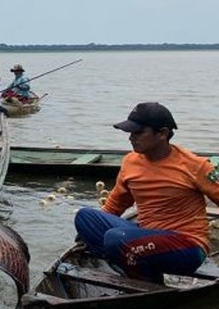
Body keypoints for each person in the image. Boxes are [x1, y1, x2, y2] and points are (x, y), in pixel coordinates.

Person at [74, 102, 219, 282]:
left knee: (116, 239)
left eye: (138, 133)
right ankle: (128, 264)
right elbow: (115, 205)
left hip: (186, 246)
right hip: (146, 236)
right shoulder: (130, 162)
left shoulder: (195, 166)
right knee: (85, 217)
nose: (131, 138)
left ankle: (149, 283)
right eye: (130, 133)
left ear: (162, 133)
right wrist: (89, 232)